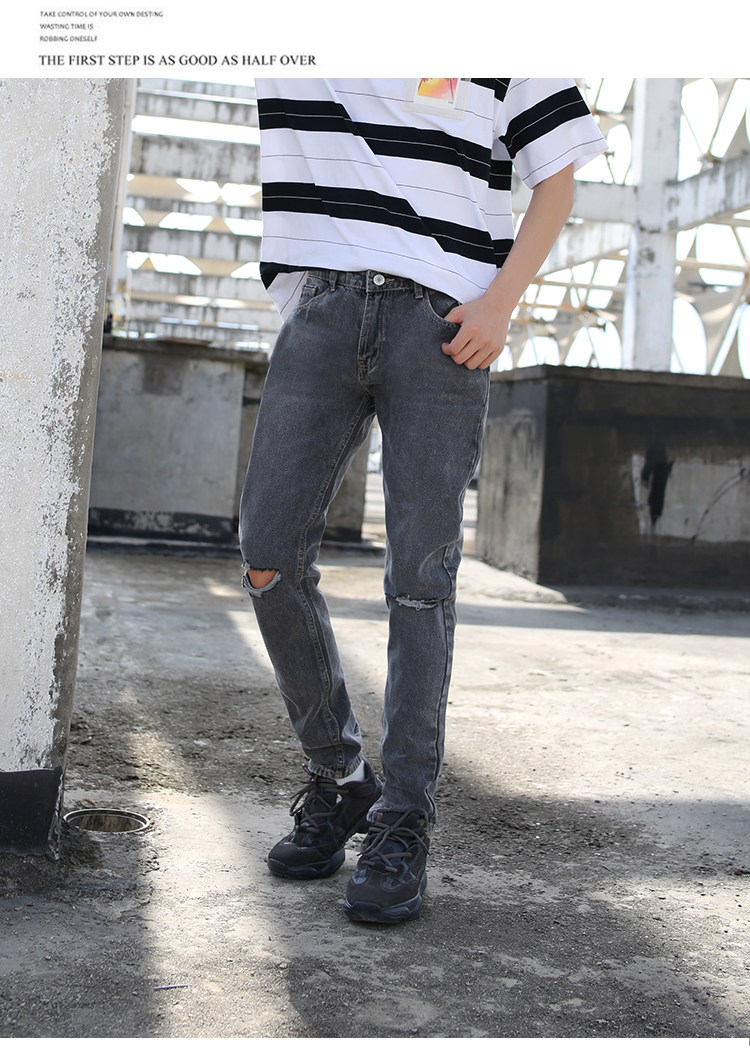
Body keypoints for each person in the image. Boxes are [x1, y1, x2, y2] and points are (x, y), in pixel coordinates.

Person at [239, 78, 607, 924]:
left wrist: (500, 304)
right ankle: (339, 774)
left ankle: (403, 818)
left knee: (420, 578)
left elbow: (557, 175)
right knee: (267, 552)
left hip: (441, 324)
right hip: (322, 307)